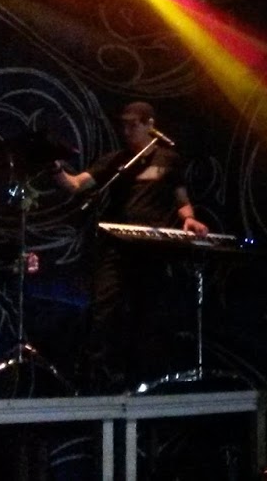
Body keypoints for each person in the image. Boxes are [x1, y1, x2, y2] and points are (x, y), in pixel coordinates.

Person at [50, 100, 207, 392]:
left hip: (154, 248)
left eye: (133, 125)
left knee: (149, 313)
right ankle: (98, 379)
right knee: (104, 309)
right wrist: (55, 167)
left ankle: (144, 381)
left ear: (150, 125)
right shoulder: (116, 161)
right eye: (123, 125)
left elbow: (181, 199)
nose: (127, 131)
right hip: (117, 246)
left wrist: (189, 219)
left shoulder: (168, 159)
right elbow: (75, 185)